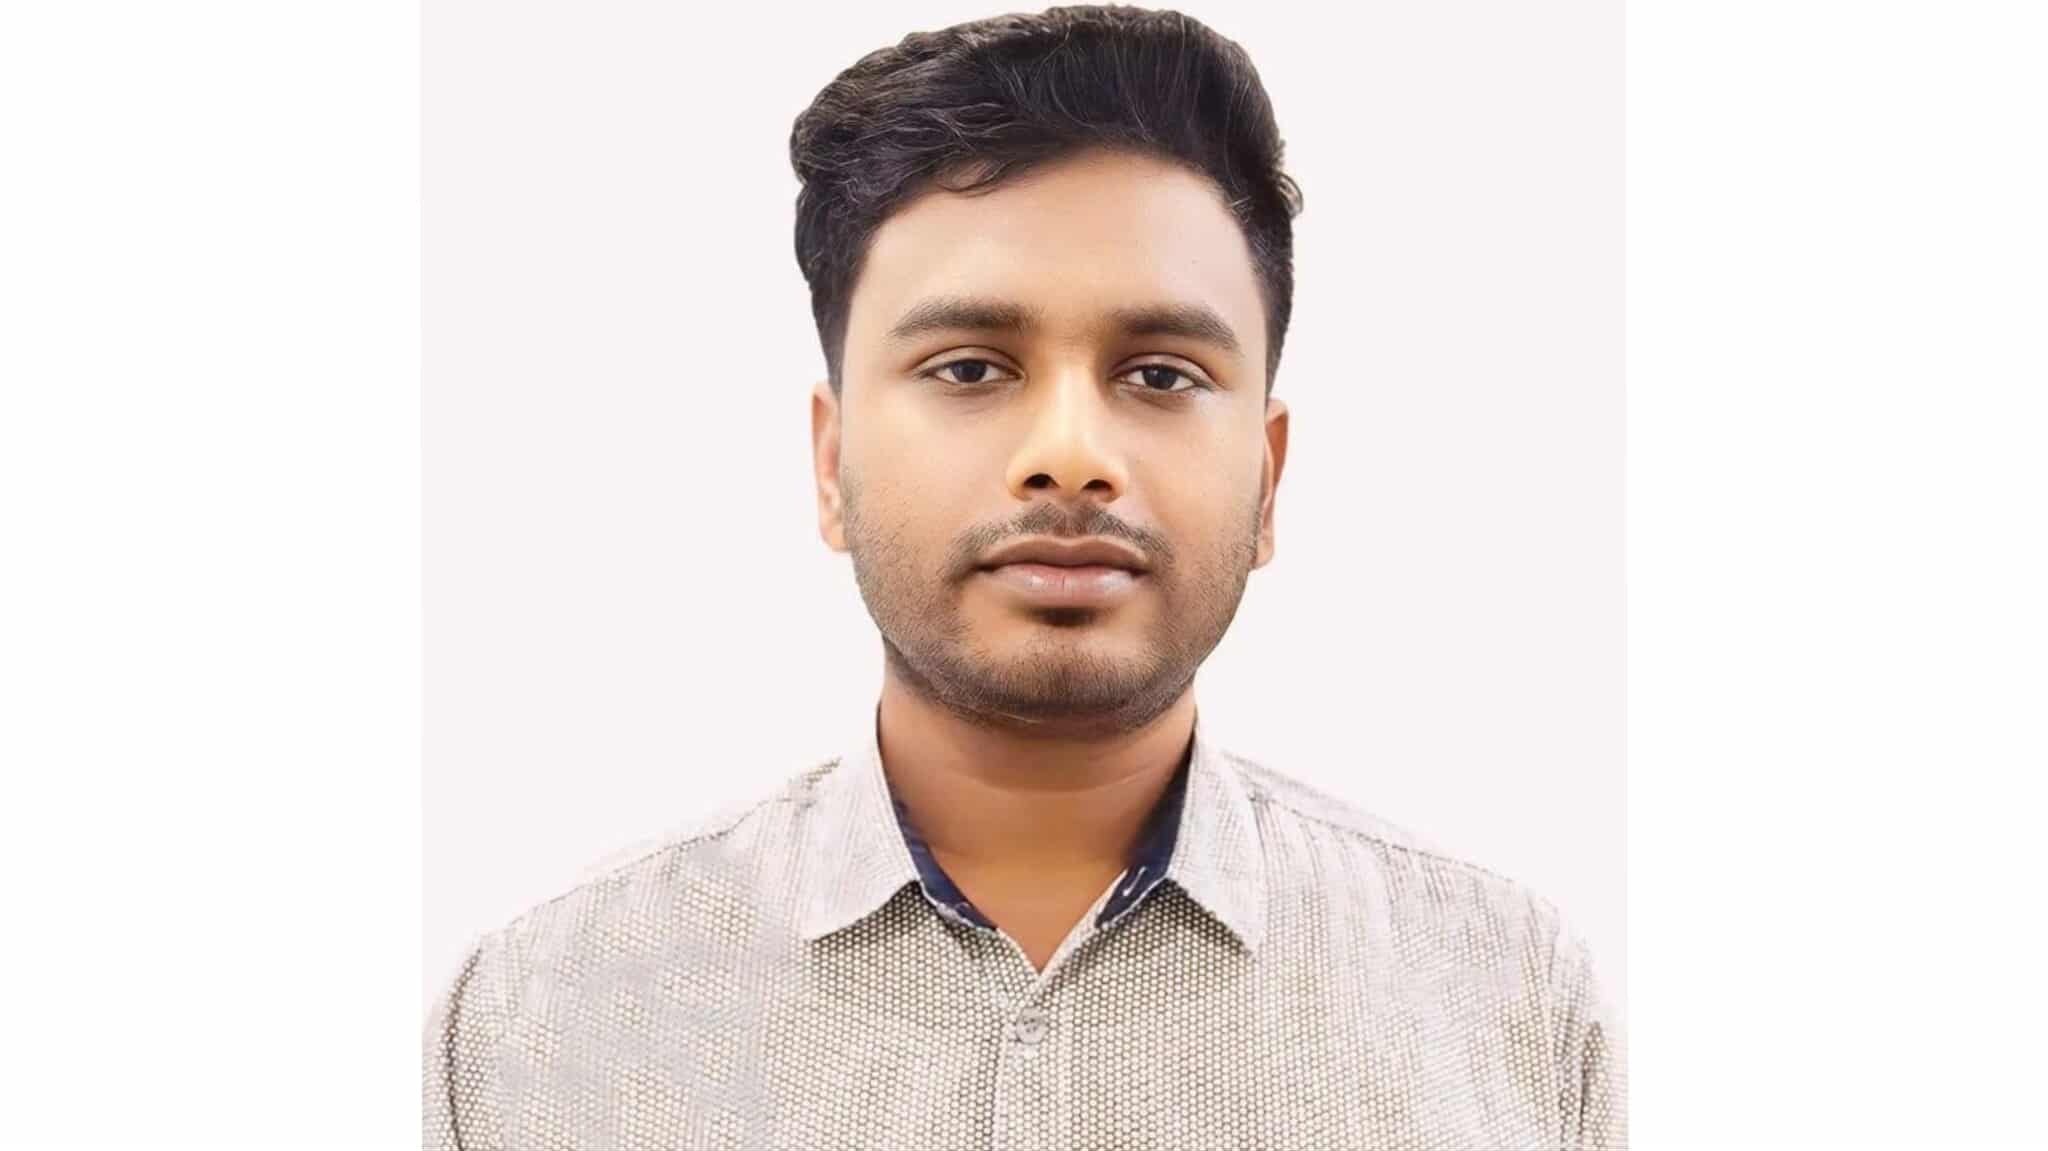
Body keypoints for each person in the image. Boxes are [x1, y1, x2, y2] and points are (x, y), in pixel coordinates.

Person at [424, 6, 1625, 1148]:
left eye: (1159, 374)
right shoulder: (545, 1014)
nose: (1069, 453)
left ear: (1266, 478)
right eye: (968, 367)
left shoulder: (1504, 996)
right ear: (831, 461)